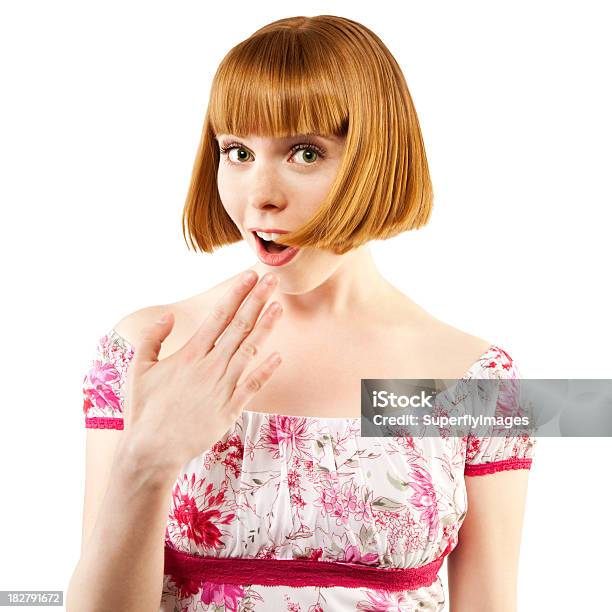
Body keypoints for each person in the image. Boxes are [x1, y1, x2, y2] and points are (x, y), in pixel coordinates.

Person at [67, 14, 536, 612]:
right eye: (237, 151)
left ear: (378, 160)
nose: (259, 193)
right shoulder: (145, 351)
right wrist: (146, 462)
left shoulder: (476, 383)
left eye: (305, 153)